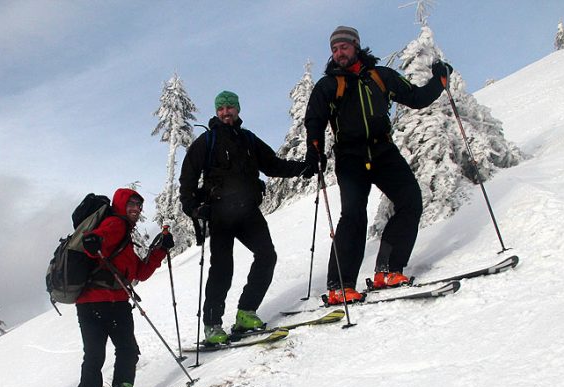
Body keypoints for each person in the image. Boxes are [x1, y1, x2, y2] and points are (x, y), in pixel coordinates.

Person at [304, 25, 452, 304]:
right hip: (350, 157)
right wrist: (315, 151)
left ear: (356, 46)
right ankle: (340, 286)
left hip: (383, 151)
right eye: (334, 49)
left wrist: (439, 81)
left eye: (344, 47)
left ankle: (388, 270)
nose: (339, 53)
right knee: (353, 216)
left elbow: (416, 98)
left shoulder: (380, 76)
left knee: (410, 201)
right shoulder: (328, 85)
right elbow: (314, 120)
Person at [180, 90, 312, 344]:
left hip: (248, 211)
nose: (226, 112)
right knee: (222, 268)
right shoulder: (206, 142)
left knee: (267, 256)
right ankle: (212, 325)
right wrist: (194, 208)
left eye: (230, 107)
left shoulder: (249, 140)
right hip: (219, 213)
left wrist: (304, 168)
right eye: (221, 108)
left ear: (238, 110)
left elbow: (273, 165)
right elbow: (187, 181)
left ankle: (246, 312)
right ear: (217, 112)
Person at [71, 187, 174, 387]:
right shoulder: (115, 223)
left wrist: (160, 250)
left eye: (139, 206)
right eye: (132, 204)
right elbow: (96, 241)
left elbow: (139, 270)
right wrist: (93, 241)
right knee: (98, 358)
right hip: (94, 303)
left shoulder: (126, 237)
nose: (136, 210)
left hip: (116, 303)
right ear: (120, 204)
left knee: (125, 351)